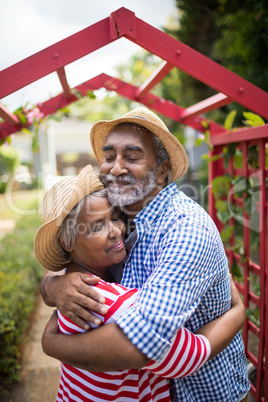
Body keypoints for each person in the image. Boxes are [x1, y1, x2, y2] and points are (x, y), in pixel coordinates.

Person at [41, 107, 250, 401]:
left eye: (132, 156)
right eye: (109, 156)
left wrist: (51, 344)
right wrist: (53, 284)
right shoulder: (124, 213)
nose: (115, 168)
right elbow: (75, 246)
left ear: (162, 170)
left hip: (201, 393)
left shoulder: (185, 228)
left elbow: (139, 345)